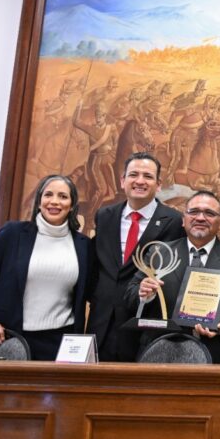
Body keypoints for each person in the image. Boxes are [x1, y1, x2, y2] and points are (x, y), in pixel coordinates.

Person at [0, 175, 95, 359]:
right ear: (39, 201)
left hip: (61, 342)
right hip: (9, 339)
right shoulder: (12, 234)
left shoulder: (84, 245)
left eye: (63, 196)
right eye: (48, 195)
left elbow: (92, 292)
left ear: (72, 205)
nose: (54, 201)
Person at [127, 191, 220, 363]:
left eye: (209, 213)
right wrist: (144, 295)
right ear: (183, 219)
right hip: (160, 353)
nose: (200, 218)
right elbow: (130, 295)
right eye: (193, 212)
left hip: (216, 353)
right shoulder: (159, 253)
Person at [88, 152, 185, 362]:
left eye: (148, 176)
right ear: (122, 180)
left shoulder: (174, 221)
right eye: (133, 175)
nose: (140, 181)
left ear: (158, 185)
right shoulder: (104, 216)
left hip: (145, 326)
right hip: (102, 322)